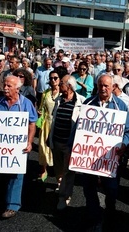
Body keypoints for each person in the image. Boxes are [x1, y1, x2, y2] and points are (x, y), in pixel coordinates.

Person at [80, 74, 129, 231]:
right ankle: (93, 215)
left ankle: (110, 208)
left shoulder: (120, 105)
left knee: (111, 188)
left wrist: (123, 144)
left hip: (110, 157)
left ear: (113, 87)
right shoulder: (88, 103)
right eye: (100, 85)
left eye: (106, 86)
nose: (103, 89)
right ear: (97, 86)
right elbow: (78, 129)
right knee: (88, 187)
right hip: (89, 155)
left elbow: (128, 131)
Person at [0, 75, 37, 218]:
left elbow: (32, 123)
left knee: (16, 174)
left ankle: (12, 205)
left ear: (17, 88)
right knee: (4, 173)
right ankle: (3, 195)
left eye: (9, 86)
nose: (5, 88)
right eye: (5, 85)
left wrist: (29, 141)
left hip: (18, 146)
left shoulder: (26, 103)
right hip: (1, 146)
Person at [49, 74, 85, 210]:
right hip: (57, 140)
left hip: (70, 144)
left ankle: (64, 196)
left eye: (62, 83)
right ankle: (61, 186)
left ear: (69, 86)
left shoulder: (81, 102)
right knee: (58, 168)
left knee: (68, 171)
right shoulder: (59, 100)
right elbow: (54, 119)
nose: (59, 85)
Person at [37, 68, 67, 181]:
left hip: (59, 124)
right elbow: (41, 107)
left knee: (58, 150)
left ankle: (59, 175)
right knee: (43, 147)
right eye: (51, 78)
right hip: (46, 124)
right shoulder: (46, 93)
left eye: (55, 78)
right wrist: (40, 113)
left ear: (60, 79)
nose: (53, 80)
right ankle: (43, 170)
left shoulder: (63, 93)